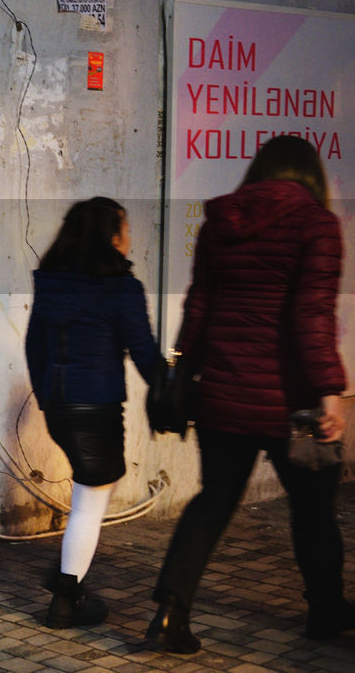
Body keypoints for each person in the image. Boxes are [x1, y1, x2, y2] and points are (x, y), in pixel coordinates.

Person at [145, 135, 348, 653]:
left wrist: (181, 369)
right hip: (293, 404)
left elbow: (200, 306)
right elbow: (312, 314)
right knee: (313, 510)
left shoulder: (221, 223)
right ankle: (325, 613)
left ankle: (170, 613)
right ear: (311, 176)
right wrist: (329, 392)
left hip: (224, 396)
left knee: (212, 502)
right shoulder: (317, 225)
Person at [26, 197, 161, 629]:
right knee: (90, 500)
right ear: (110, 238)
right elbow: (143, 352)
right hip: (97, 406)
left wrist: (47, 398)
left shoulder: (52, 284)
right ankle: (66, 597)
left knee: (92, 491)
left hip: (60, 406)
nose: (129, 239)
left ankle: (68, 579)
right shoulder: (121, 288)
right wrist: (174, 391)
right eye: (124, 229)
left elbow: (35, 347)